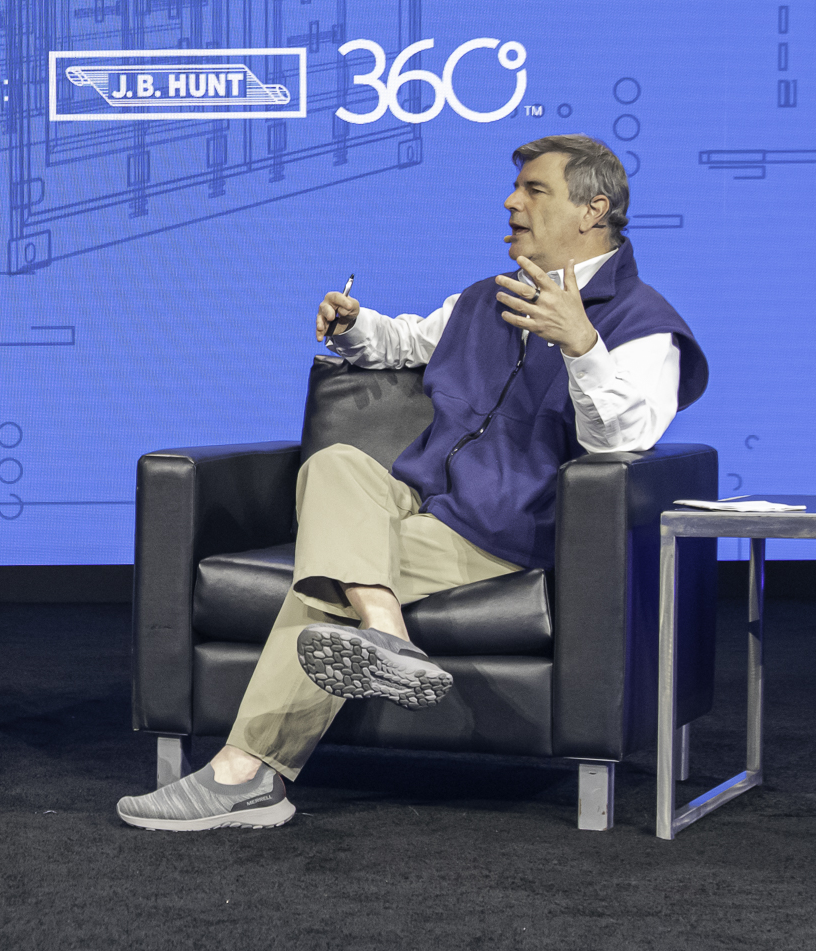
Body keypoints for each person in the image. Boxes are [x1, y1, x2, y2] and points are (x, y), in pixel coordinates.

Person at [117, 134, 708, 831]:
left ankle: (243, 773)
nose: (510, 201)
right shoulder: (487, 298)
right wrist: (353, 326)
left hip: (504, 526)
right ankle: (386, 630)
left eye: (533, 189)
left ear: (593, 209)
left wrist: (580, 343)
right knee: (334, 463)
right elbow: (405, 342)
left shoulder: (644, 325)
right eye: (515, 187)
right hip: (419, 496)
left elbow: (622, 442)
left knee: (328, 577)